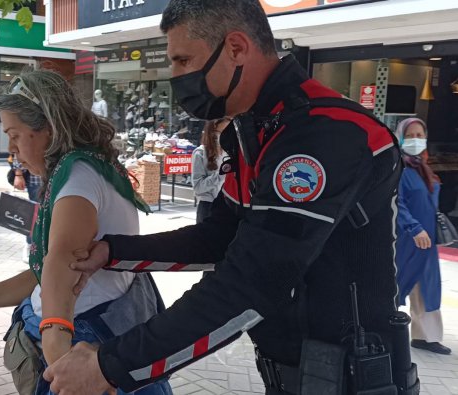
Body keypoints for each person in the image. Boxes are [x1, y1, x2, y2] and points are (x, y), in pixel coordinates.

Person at [44, 1, 417, 394]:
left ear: (237, 48)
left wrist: (109, 364)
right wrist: (113, 252)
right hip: (298, 371)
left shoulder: (323, 135)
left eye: (183, 60)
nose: (176, 77)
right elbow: (219, 238)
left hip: (355, 378)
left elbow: (253, 281)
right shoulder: (257, 128)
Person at [0, 70, 171, 395]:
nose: (13, 148)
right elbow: (50, 271)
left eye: (16, 135)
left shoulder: (78, 180)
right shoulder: (89, 167)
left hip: (85, 336)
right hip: (94, 330)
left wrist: (62, 365)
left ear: (47, 127)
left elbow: (61, 275)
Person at [395, 117, 451, 355]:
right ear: (400, 137)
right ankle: (381, 328)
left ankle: (425, 336)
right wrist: (414, 227)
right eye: (411, 135)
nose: (416, 140)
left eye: (420, 136)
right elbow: (397, 203)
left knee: (427, 286)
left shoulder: (423, 168)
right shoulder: (397, 168)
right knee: (396, 284)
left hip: (426, 241)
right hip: (407, 239)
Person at [191, 118, 228, 223]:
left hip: (228, 206)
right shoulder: (200, 153)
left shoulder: (230, 151)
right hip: (208, 206)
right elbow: (198, 187)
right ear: (215, 127)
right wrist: (220, 176)